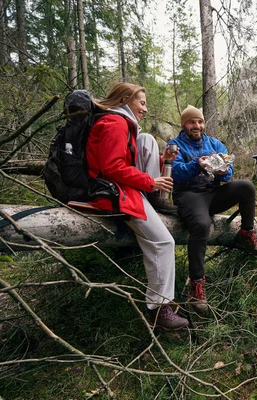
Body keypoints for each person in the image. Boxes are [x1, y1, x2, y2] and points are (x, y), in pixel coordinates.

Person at [85, 82, 188, 331]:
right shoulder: (115, 123)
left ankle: (154, 198)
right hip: (112, 194)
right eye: (141, 102)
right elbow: (112, 167)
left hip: (124, 188)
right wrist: (150, 181)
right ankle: (158, 308)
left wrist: (161, 163)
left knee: (147, 140)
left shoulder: (122, 124)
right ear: (125, 100)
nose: (144, 108)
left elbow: (125, 159)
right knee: (163, 242)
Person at [168, 105, 257, 313]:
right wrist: (197, 165)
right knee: (202, 225)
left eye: (200, 122)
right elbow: (174, 175)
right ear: (184, 124)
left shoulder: (215, 143)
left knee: (246, 186)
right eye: (192, 122)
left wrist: (222, 171)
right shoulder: (174, 145)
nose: (197, 126)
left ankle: (246, 233)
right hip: (189, 195)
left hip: (212, 193)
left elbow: (228, 176)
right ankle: (197, 285)